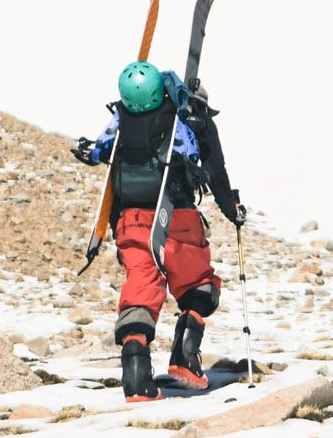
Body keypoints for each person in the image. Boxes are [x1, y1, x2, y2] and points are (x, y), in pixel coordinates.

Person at [72, 60, 245, 402]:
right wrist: (232, 209)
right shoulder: (184, 120)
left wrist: (88, 151)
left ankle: (137, 379)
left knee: (141, 286)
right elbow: (207, 166)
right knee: (200, 285)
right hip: (176, 215)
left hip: (130, 219)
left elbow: (97, 150)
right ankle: (184, 357)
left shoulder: (121, 119)